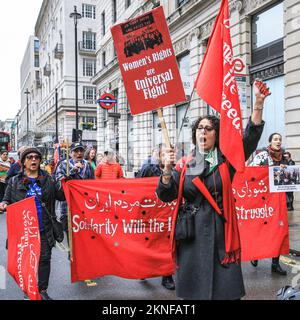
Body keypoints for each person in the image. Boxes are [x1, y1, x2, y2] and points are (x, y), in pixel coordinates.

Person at [155, 81, 268, 300]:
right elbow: (165, 194)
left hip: (221, 237)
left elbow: (250, 139)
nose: (203, 132)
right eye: (199, 128)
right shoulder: (185, 164)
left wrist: (258, 105)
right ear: (195, 134)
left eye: (209, 128)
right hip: (192, 237)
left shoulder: (227, 161)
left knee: (225, 294)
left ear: (216, 135)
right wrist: (167, 170)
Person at [0, 147, 65, 300]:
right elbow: (6, 199)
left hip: (44, 228)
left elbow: (61, 196)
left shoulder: (49, 179)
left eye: (36, 157)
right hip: (24, 230)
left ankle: (42, 291)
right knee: (26, 262)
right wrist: (3, 204)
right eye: (29, 157)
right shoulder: (14, 181)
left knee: (44, 259)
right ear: (23, 161)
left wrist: (67, 182)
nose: (34, 160)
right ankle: (28, 290)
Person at [55, 142, 95, 286]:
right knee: (72, 238)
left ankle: (83, 266)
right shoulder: (63, 164)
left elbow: (93, 184)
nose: (79, 153)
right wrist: (72, 171)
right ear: (71, 152)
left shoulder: (88, 166)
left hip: (85, 209)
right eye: (76, 151)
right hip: (67, 208)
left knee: (84, 237)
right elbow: (58, 182)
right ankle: (74, 261)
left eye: (81, 151)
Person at [250, 133, 290, 275]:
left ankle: (275, 263)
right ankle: (255, 255)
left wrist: (285, 170)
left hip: (278, 202)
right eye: (275, 139)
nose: (278, 141)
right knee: (261, 229)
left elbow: (290, 179)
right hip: (262, 201)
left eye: (280, 139)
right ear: (270, 142)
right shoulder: (261, 156)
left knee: (278, 231)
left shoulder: (284, 158)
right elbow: (251, 174)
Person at [137, 144, 175, 291]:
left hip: (167, 215)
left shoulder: (176, 169)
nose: (169, 155)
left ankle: (167, 275)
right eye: (165, 153)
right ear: (159, 155)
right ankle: (144, 269)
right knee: (149, 243)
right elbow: (138, 189)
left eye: (171, 152)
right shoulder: (148, 169)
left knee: (167, 245)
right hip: (150, 213)